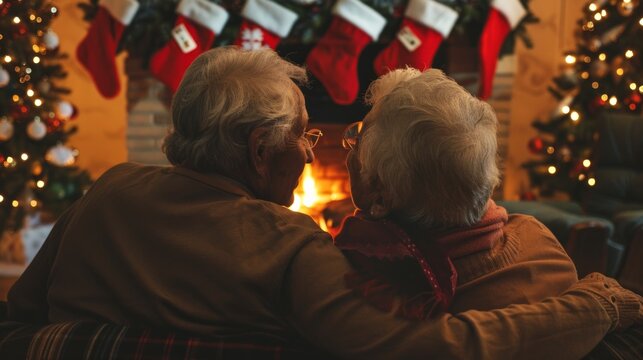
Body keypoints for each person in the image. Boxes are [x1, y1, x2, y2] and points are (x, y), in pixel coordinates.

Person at [6, 47, 642, 359]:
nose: (314, 152)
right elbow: (440, 348)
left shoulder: (108, 187)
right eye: (305, 134)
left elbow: (19, 317)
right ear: (260, 151)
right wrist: (593, 303)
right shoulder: (293, 245)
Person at [334, 68, 578, 319]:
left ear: (380, 196)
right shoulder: (542, 246)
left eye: (358, 139)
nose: (350, 151)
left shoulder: (368, 284)